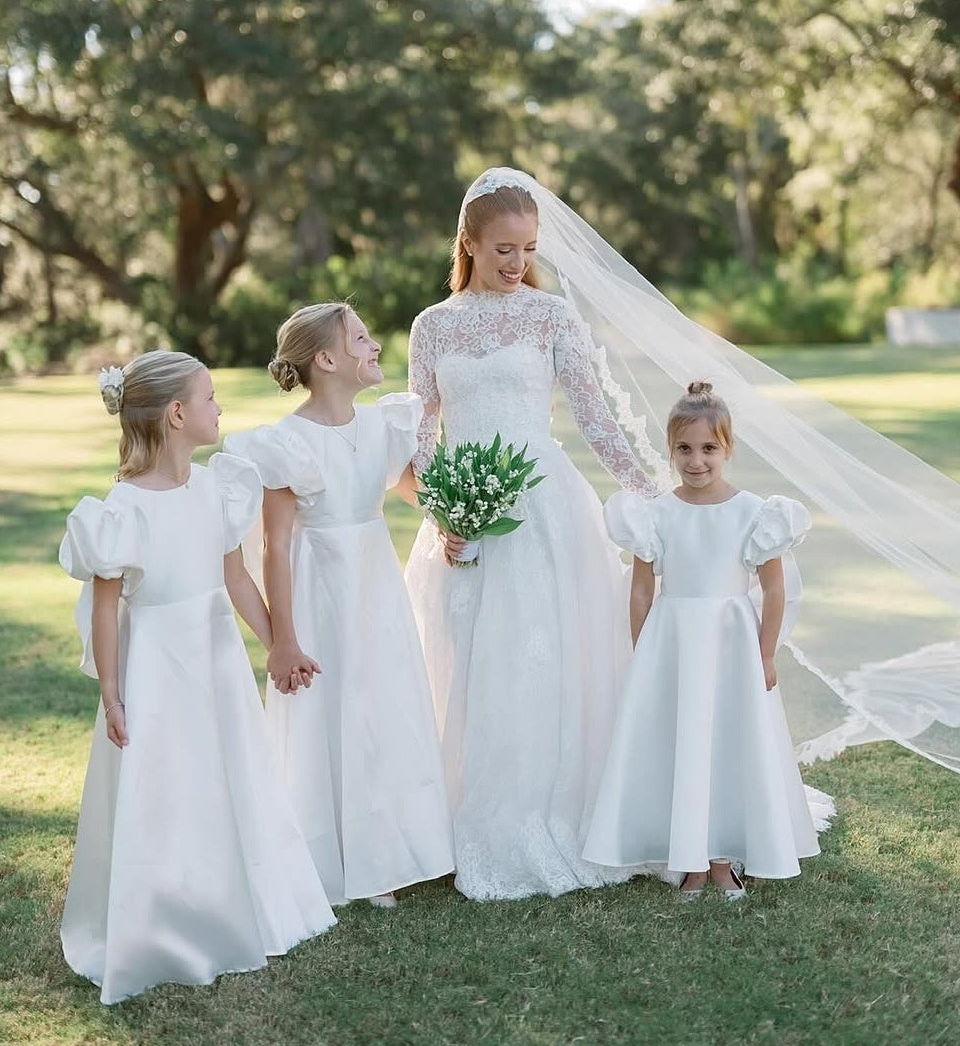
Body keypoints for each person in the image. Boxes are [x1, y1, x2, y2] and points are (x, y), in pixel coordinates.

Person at [405, 171, 661, 901]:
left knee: (543, 655)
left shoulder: (550, 317)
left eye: (526, 249)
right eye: (502, 249)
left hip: (545, 508)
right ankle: (459, 817)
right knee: (466, 656)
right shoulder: (434, 326)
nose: (516, 262)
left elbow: (592, 414)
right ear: (469, 245)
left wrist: (645, 490)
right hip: (465, 512)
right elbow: (421, 432)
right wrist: (443, 513)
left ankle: (552, 807)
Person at [59, 351, 335, 1005]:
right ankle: (164, 918)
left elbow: (235, 577)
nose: (219, 409)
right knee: (167, 786)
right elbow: (106, 608)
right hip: (157, 665)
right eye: (209, 399)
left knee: (229, 771)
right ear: (178, 415)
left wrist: (277, 643)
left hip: (214, 659)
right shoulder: (120, 509)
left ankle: (241, 900)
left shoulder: (216, 488)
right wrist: (111, 692)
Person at [225, 304, 454, 908]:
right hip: (321, 588)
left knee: (384, 698)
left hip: (375, 581)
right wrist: (283, 638)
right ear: (327, 360)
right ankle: (342, 856)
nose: (374, 345)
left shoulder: (382, 426)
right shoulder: (287, 444)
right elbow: (275, 547)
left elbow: (400, 482)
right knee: (335, 705)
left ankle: (396, 847)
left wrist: (447, 516)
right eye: (361, 338)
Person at [583, 382, 824, 898]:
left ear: (728, 448)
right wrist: (642, 650)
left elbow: (774, 588)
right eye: (684, 449)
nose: (696, 461)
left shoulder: (755, 512)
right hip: (673, 642)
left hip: (730, 643)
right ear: (670, 451)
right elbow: (642, 590)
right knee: (683, 742)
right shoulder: (655, 513)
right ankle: (688, 859)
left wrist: (764, 652)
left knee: (725, 742)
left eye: (709, 448)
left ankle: (719, 859)